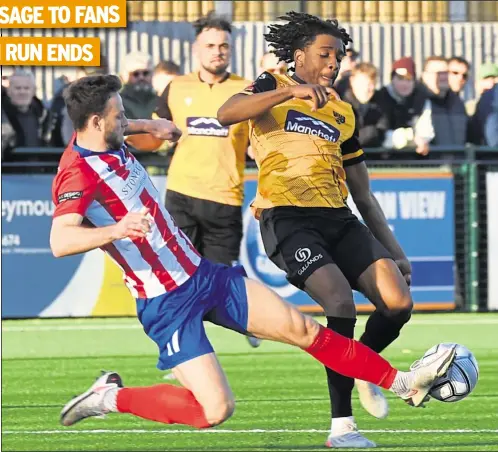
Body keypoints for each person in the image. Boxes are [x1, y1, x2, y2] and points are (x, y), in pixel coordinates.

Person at [53, 74, 455, 434]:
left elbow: (119, 129)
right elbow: (61, 241)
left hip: (205, 275)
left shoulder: (104, 136)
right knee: (215, 410)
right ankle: (110, 397)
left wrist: (149, 125)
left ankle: (402, 382)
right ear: (96, 123)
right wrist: (117, 229)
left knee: (305, 330)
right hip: (164, 301)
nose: (126, 121)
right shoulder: (78, 172)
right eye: (120, 116)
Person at [218, 11, 418, 448]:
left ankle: (364, 368)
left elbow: (363, 195)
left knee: (399, 303)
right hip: (285, 217)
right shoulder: (270, 83)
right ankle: (342, 427)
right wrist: (290, 89)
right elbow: (225, 113)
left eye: (339, 55)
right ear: (299, 55)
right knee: (339, 301)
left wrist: (395, 250)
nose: (334, 62)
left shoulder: (343, 112)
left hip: (338, 217)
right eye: (325, 53)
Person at [155, 12, 258, 347]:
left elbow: (261, 143)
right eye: (211, 45)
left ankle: (250, 319)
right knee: (178, 277)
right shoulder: (176, 87)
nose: (218, 51)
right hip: (181, 194)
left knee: (221, 279)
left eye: (224, 45)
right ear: (196, 50)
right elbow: (155, 133)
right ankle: (184, 348)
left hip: (225, 198)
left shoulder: (247, 89)